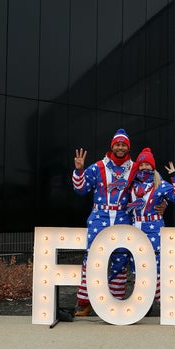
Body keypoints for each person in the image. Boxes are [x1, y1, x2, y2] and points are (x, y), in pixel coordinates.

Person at [72, 129, 135, 317]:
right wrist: (79, 169)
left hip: (123, 218)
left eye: (124, 144)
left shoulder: (135, 168)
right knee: (92, 259)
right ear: (112, 146)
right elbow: (80, 189)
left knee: (120, 259)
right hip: (99, 219)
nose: (121, 147)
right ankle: (86, 301)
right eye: (118, 144)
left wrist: (161, 204)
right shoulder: (97, 167)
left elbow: (151, 188)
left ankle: (113, 303)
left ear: (128, 147)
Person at [124, 148, 175, 309]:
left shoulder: (161, 183)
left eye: (147, 164)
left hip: (154, 228)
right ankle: (144, 301)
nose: (144, 167)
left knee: (156, 263)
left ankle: (162, 299)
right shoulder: (131, 184)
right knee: (137, 263)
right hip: (135, 227)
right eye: (142, 164)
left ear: (153, 167)